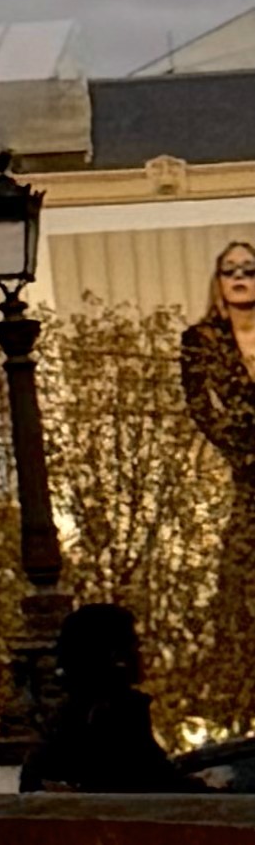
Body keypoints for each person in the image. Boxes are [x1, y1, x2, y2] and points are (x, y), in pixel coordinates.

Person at [181, 239, 255, 724]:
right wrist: (236, 444)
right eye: (230, 270)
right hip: (248, 462)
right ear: (219, 281)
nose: (240, 277)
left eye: (249, 268)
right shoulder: (202, 338)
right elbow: (198, 404)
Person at [19, 598, 173, 794]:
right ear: (117, 657)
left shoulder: (63, 717)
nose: (141, 654)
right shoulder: (119, 713)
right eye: (135, 646)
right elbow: (156, 781)